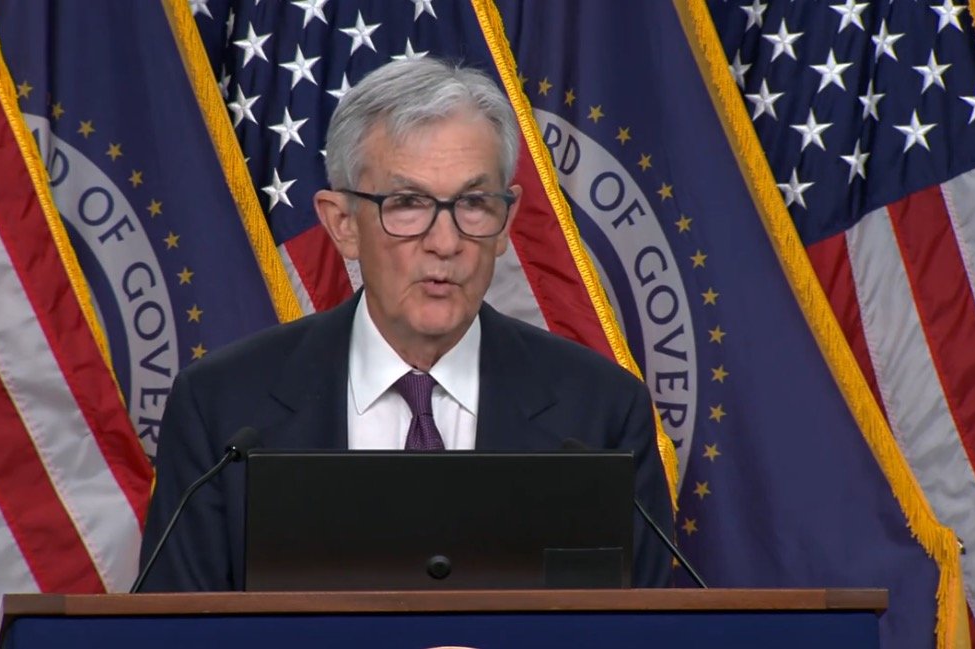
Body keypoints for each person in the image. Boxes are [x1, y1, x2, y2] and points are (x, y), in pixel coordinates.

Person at [138, 57, 673, 591]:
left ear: (507, 221)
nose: (445, 242)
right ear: (343, 224)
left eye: (473, 203)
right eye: (409, 204)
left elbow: (642, 634)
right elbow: (177, 635)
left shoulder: (600, 415)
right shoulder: (223, 411)